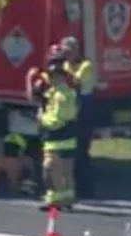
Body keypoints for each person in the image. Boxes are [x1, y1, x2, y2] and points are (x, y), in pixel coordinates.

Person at [37, 60, 80, 210]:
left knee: (49, 169)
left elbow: (57, 119)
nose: (49, 78)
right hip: (67, 138)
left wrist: (42, 119)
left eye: (52, 76)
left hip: (57, 137)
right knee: (66, 171)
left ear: (60, 77)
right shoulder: (55, 92)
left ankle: (54, 199)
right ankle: (66, 198)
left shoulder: (62, 96)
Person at [60, 36, 98, 198]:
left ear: (76, 50)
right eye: (64, 52)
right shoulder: (66, 65)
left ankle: (86, 188)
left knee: (81, 150)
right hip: (72, 108)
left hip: (84, 108)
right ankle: (74, 185)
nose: (66, 55)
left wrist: (60, 74)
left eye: (69, 51)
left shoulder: (86, 66)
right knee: (70, 151)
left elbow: (74, 84)